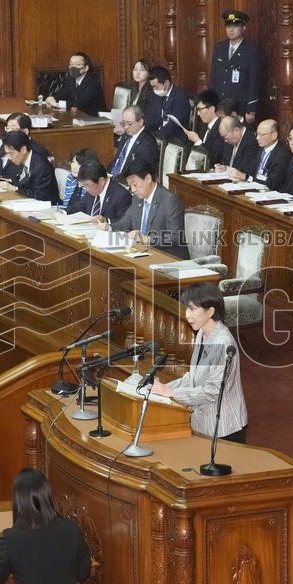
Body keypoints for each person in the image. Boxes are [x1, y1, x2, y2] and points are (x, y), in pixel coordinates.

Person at [151, 282, 248, 442]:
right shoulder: (203, 333)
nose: (187, 315)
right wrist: (164, 388)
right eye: (187, 308)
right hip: (204, 423)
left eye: (193, 309)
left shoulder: (222, 342)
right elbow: (193, 377)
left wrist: (171, 393)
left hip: (224, 427)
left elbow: (212, 391)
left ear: (210, 311)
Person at [0, 468, 91, 584]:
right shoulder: (72, 529)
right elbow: (83, 573)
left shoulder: (10, 539)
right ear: (48, 497)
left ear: (19, 502)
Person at [101, 160, 188, 259]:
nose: (133, 190)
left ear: (148, 178)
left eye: (135, 185)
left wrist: (147, 239)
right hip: (142, 252)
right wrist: (109, 227)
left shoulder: (169, 200)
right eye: (130, 186)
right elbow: (126, 222)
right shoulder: (137, 199)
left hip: (168, 256)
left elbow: (175, 237)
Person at [210, 10, 265, 122]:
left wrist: (251, 108)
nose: (231, 29)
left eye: (235, 26)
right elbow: (213, 77)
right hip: (220, 105)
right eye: (228, 26)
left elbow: (254, 81)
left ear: (243, 28)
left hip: (239, 106)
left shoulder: (251, 50)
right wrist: (211, 103)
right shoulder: (220, 48)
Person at [0, 131, 59, 203]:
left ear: (23, 150)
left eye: (11, 154)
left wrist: (15, 189)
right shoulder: (21, 159)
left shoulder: (41, 166)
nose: (9, 158)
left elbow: (40, 196)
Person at [0, 113, 51, 180]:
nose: (9, 132)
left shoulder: (37, 152)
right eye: (8, 129)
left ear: (25, 132)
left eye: (13, 129)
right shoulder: (6, 145)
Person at [45, 52, 107, 116]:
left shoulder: (92, 82)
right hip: (78, 117)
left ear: (86, 68)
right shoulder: (71, 80)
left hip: (96, 119)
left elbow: (80, 103)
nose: (73, 67)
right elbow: (61, 95)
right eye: (71, 64)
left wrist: (57, 104)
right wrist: (52, 98)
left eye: (77, 64)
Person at [237, 119, 291, 190]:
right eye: (257, 134)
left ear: (274, 135)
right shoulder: (258, 149)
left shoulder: (282, 155)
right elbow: (249, 170)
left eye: (261, 135)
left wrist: (247, 178)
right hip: (253, 188)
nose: (257, 138)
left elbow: (272, 184)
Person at [108, 106, 159, 180]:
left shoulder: (148, 144)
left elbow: (141, 173)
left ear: (141, 122)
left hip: (127, 181)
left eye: (129, 124)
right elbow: (117, 159)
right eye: (123, 123)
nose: (125, 127)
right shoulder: (126, 135)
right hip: (113, 177)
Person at [145, 66, 190, 144]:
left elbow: (173, 125)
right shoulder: (154, 96)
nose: (154, 90)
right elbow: (150, 118)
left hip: (175, 140)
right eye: (152, 87)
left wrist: (158, 139)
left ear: (166, 83)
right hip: (157, 136)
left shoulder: (180, 98)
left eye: (156, 87)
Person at [184, 90, 226, 166]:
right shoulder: (204, 126)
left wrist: (198, 141)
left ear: (212, 109)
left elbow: (214, 158)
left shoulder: (221, 128)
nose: (198, 114)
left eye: (200, 109)